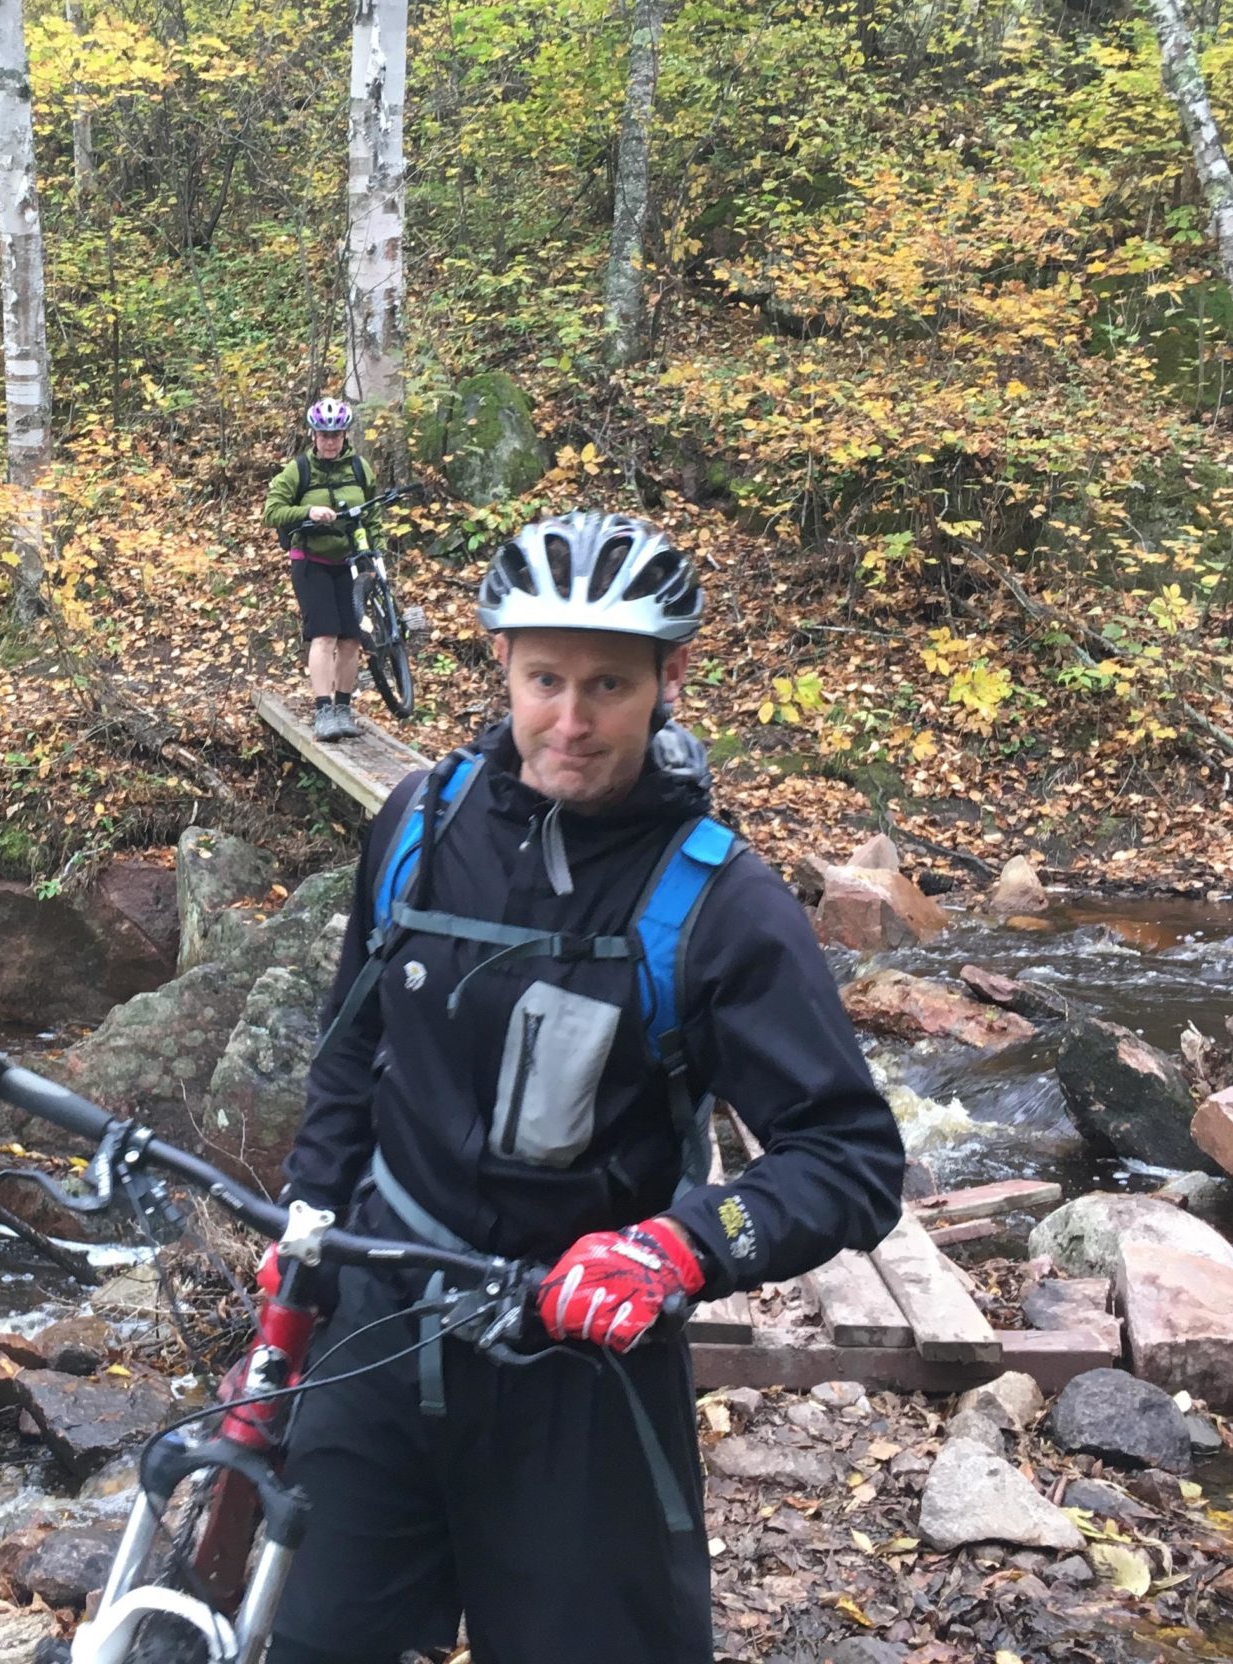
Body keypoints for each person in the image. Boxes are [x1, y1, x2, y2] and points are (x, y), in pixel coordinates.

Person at [264, 510, 907, 1664]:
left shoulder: (721, 904)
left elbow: (848, 1161)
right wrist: (307, 1226)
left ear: (671, 680)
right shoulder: (415, 828)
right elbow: (353, 1048)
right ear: (500, 666)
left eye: (607, 685)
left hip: (578, 1368)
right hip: (377, 1336)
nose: (569, 720)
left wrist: (681, 1247)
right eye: (544, 678)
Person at [265, 398, 375, 741]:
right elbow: (272, 511)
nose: (330, 440)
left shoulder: (359, 469)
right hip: (311, 562)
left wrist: (374, 552)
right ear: (313, 435)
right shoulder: (298, 470)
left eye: (337, 434)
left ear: (345, 434)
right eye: (324, 434)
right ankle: (323, 709)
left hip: (349, 563)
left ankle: (343, 708)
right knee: (325, 634)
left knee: (352, 637)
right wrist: (307, 512)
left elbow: (373, 512)